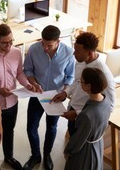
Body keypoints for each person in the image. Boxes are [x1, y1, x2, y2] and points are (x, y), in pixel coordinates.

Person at [0, 23, 35, 170]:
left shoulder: (17, 52)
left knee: (9, 131)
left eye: (11, 41)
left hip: (11, 102)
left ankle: (9, 157)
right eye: (4, 43)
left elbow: (19, 73)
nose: (9, 45)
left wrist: (27, 84)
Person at [23, 25, 75, 170]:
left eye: (49, 45)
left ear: (58, 41)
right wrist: (33, 83)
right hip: (37, 95)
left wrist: (65, 91)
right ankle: (35, 155)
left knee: (51, 128)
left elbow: (70, 76)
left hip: (55, 97)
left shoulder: (68, 53)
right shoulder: (34, 49)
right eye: (43, 44)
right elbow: (27, 69)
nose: (45, 48)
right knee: (31, 128)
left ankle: (47, 155)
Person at [53, 32, 115, 136]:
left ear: (90, 53)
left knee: (79, 148)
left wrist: (78, 113)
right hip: (73, 109)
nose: (73, 54)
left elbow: (110, 106)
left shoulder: (103, 73)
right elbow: (75, 82)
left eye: (77, 51)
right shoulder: (80, 61)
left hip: (85, 117)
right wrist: (65, 93)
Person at [64, 67, 111, 170]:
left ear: (89, 86)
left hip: (86, 152)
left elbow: (78, 140)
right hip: (97, 145)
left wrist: (68, 151)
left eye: (81, 81)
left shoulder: (86, 115)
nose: (80, 83)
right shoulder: (106, 102)